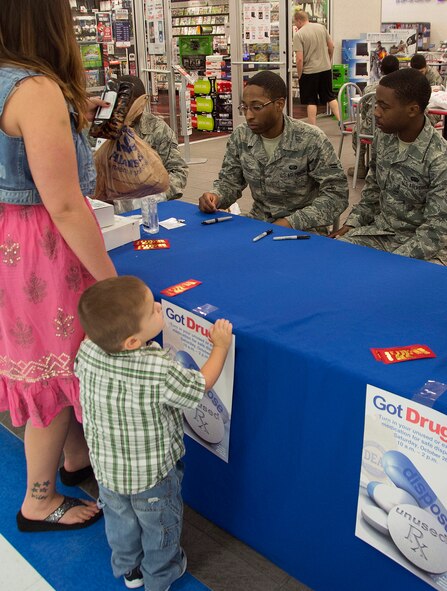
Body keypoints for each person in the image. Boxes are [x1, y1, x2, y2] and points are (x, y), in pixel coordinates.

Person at [0, 0, 117, 532]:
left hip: (12, 240)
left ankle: (73, 461)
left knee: (56, 359)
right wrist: (113, 283)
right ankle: (38, 500)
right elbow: (66, 204)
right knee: (52, 366)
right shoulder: (36, 89)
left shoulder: (10, 82)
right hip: (42, 247)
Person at [75, 276, 233, 590]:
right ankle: (162, 575)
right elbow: (201, 385)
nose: (160, 307)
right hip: (153, 477)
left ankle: (129, 569)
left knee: (120, 522)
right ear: (132, 342)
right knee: (160, 527)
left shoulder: (89, 348)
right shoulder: (158, 370)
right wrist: (220, 346)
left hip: (108, 470)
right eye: (153, 311)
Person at [199, 71, 348, 233]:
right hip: (259, 222)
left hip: (304, 229)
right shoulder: (241, 135)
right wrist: (216, 196)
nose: (248, 115)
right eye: (244, 107)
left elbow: (337, 194)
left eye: (256, 107)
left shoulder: (311, 139)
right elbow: (229, 182)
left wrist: (291, 222)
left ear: (279, 105)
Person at [331, 68, 447, 265]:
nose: (375, 112)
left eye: (384, 107)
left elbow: (436, 230)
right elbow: (373, 191)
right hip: (382, 233)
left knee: (401, 288)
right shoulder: (384, 137)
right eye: (376, 104)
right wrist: (352, 224)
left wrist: (392, 263)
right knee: (334, 255)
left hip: (425, 248)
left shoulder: (439, 158)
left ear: (413, 110)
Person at [111, 75, 188, 214]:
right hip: (110, 209)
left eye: (131, 103)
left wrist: (156, 195)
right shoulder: (104, 129)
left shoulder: (157, 129)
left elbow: (178, 172)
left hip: (151, 210)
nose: (126, 109)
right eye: (121, 102)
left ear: (143, 102)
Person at [348, 54, 400, 179]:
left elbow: (365, 113)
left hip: (370, 130)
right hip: (394, 129)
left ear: (381, 70)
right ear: (398, 70)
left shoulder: (370, 88)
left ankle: (360, 166)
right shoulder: (402, 89)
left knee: (357, 128)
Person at [293, 10, 339, 126]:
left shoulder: (299, 35)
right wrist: (328, 59)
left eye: (295, 23)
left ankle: (313, 128)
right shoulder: (321, 28)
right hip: (325, 69)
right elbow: (331, 46)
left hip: (309, 72)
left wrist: (300, 75)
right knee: (330, 96)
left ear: (299, 20)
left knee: (311, 100)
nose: (295, 25)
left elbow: (299, 59)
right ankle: (341, 122)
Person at [410, 53, 443, 126]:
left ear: (426, 67)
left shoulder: (433, 76)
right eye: (416, 72)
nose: (419, 75)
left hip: (432, 105)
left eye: (421, 72)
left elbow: (435, 96)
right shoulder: (410, 73)